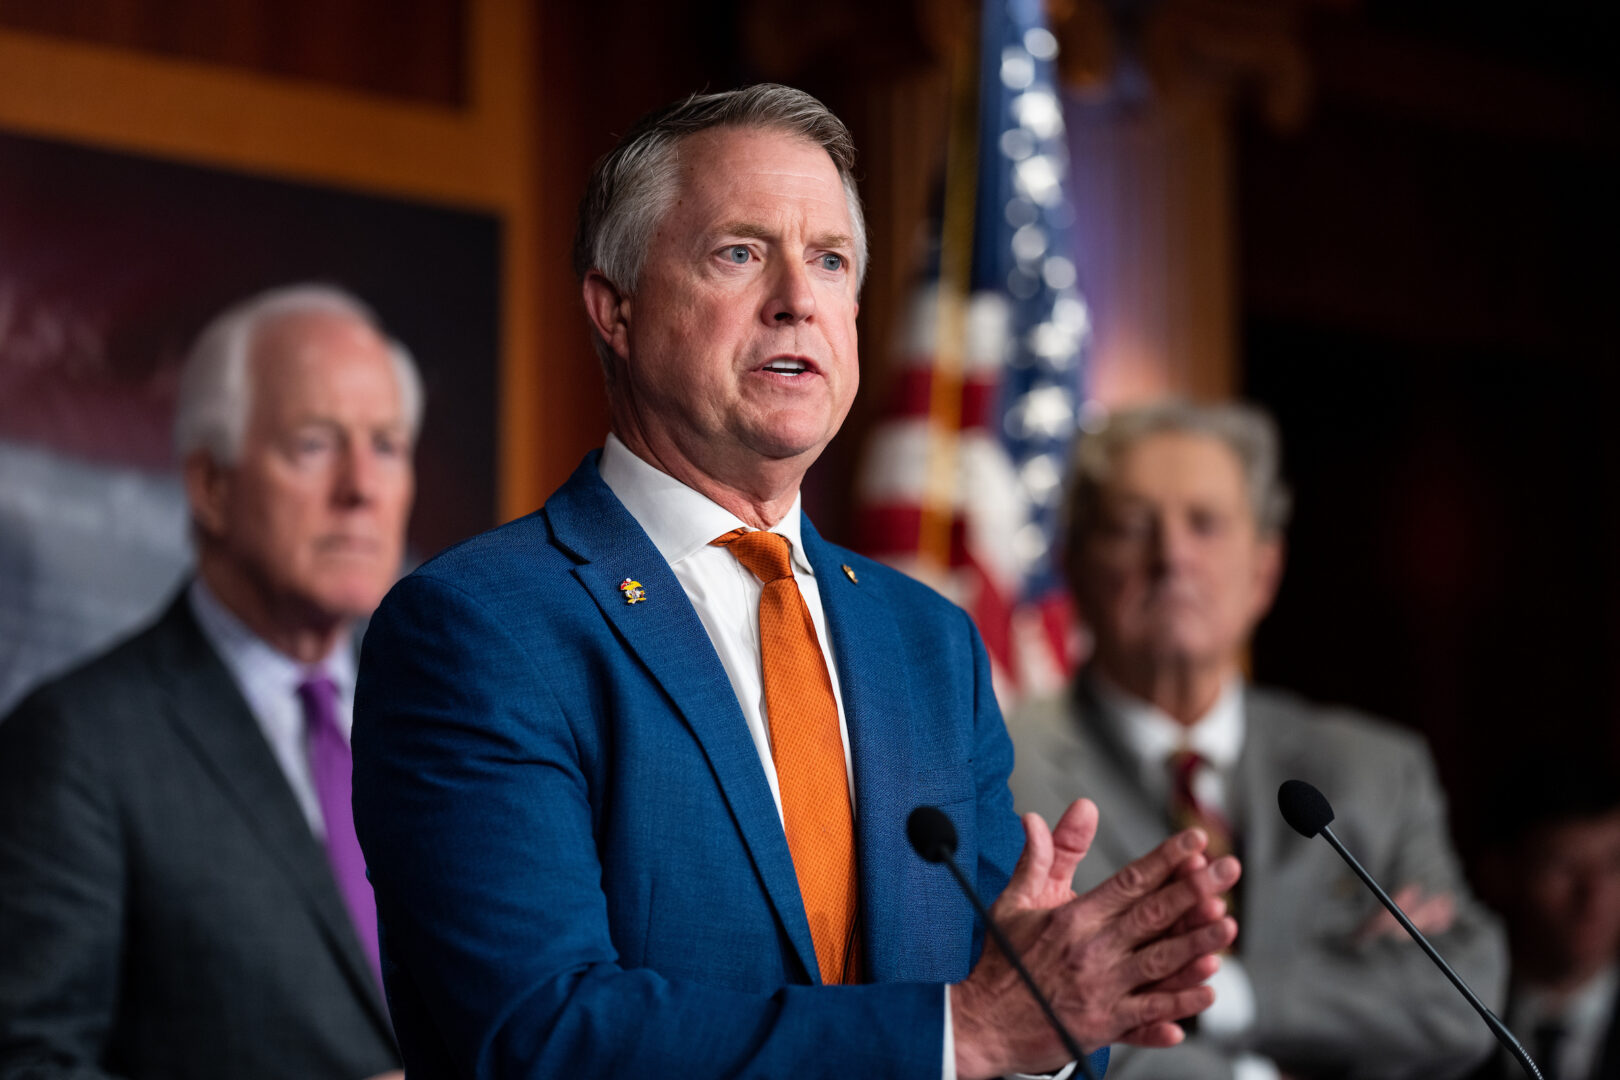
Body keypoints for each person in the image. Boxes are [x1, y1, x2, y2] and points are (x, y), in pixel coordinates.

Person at [351, 84, 1240, 1080]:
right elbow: (539, 1035)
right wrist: (968, 1031)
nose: (796, 298)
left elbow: (1003, 1012)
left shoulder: (928, 641)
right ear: (616, 308)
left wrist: (1045, 1013)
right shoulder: (482, 629)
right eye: (739, 253)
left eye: (829, 261)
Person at [1006, 399, 1507, 1080]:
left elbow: (1462, 1000)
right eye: (1131, 526)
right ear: (1074, 566)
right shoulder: (1002, 765)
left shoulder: (1378, 770)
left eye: (1205, 524)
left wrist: (1226, 1000)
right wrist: (1352, 989)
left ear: (1264, 571)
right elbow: (1028, 1021)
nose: (1172, 556)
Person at [0, 284, 419, 1080]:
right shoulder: (78, 744)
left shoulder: (451, 720)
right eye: (314, 445)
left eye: (388, 445)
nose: (362, 487)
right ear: (211, 487)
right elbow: (27, 1064)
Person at [1469, 756, 1620, 1080]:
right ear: (1501, 874)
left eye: (1614, 865)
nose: (1594, 896)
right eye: (1563, 865)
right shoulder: (1448, 1025)